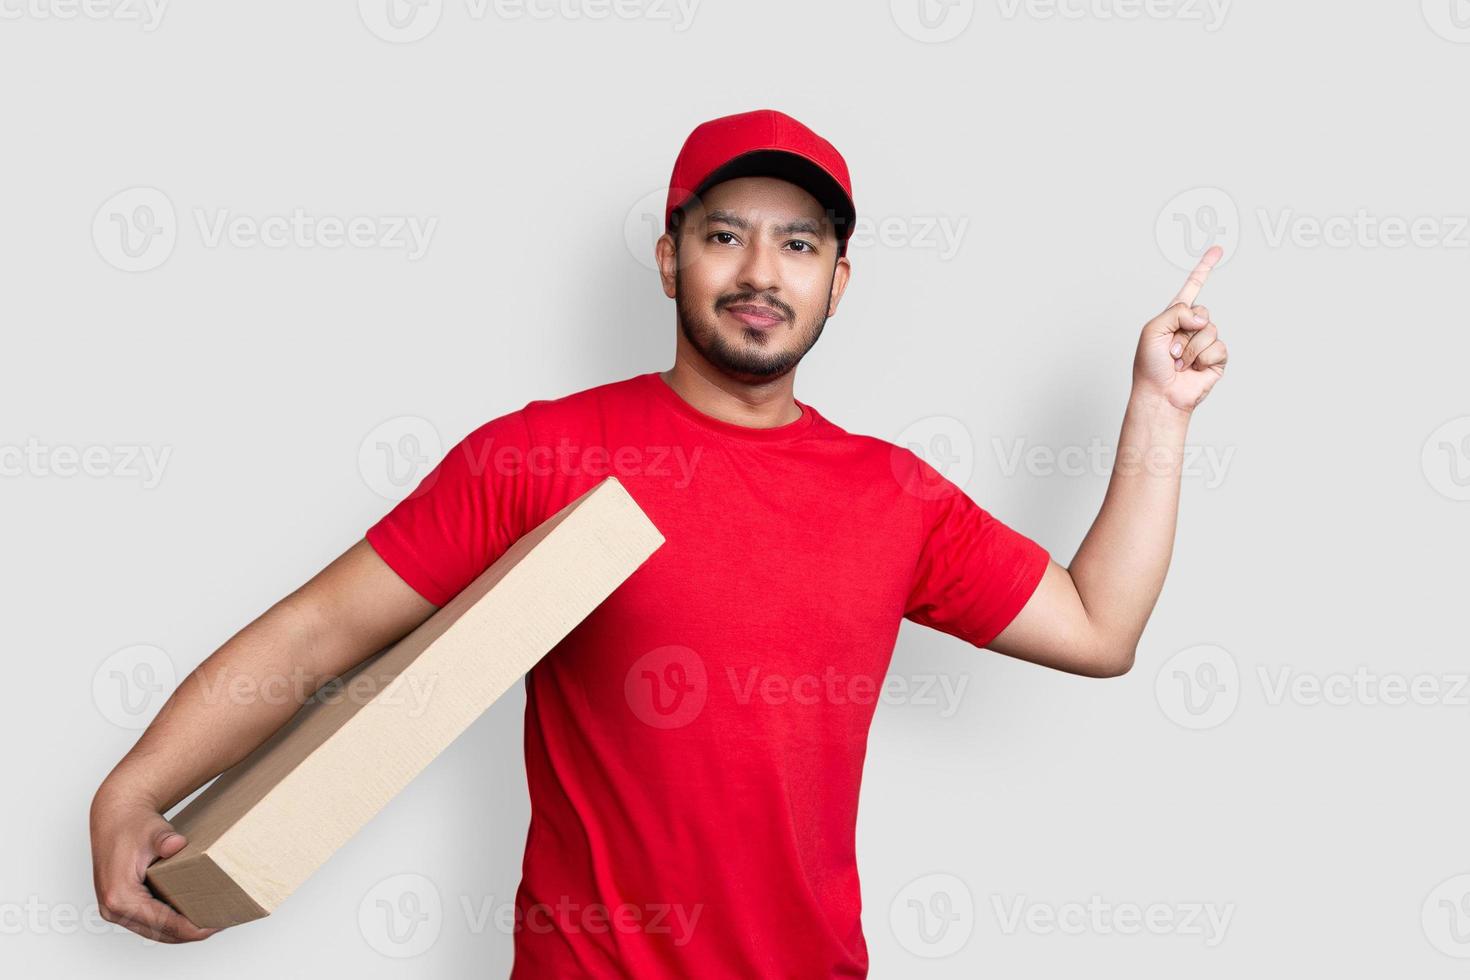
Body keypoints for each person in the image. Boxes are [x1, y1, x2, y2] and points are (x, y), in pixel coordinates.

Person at [89, 108, 1229, 976]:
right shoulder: (540, 454)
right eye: (724, 233)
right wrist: (138, 786)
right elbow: (322, 625)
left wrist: (1158, 410)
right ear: (669, 253)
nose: (759, 273)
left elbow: (1097, 625)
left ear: (841, 278)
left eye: (798, 243)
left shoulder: (895, 494)